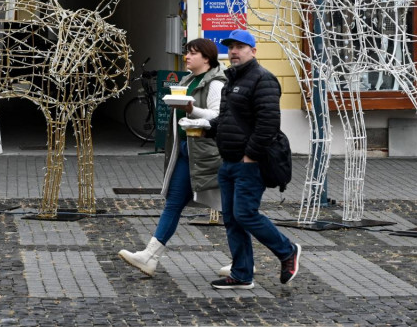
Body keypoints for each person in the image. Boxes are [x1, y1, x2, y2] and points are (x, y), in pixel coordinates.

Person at [118, 38, 227, 276]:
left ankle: (246, 259)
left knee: (229, 207)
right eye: (187, 52)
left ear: (206, 58)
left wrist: (191, 110)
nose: (187, 56)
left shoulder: (216, 83)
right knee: (174, 203)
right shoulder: (187, 79)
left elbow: (218, 116)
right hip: (187, 152)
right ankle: (149, 256)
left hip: (209, 154)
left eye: (192, 53)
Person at [206, 29, 301, 290]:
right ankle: (242, 274)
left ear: (253, 51)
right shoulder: (231, 80)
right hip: (229, 162)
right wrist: (204, 125)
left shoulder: (263, 79)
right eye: (231, 47)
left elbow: (268, 124)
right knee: (233, 219)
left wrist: (250, 156)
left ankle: (287, 251)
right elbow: (227, 119)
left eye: (240, 46)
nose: (234, 51)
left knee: (245, 214)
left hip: (249, 163)